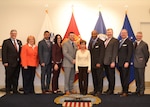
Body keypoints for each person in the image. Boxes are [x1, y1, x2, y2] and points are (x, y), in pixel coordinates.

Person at [2, 29, 22, 94]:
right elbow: (4, 52)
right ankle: (8, 90)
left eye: (15, 33)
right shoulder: (6, 42)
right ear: (10, 34)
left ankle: (15, 90)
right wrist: (5, 61)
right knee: (9, 77)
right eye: (12, 33)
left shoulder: (19, 41)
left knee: (16, 77)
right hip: (9, 63)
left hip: (17, 63)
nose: (14, 35)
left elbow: (20, 52)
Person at [88, 30, 105, 96]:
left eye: (94, 34)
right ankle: (95, 90)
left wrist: (99, 62)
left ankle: (99, 90)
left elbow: (102, 53)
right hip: (92, 63)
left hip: (98, 63)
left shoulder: (101, 42)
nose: (93, 35)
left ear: (97, 34)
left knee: (99, 77)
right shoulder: (91, 42)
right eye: (92, 34)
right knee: (94, 77)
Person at [133, 32, 149, 96]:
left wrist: (144, 61)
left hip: (141, 64)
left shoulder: (144, 44)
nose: (138, 37)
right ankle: (137, 90)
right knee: (136, 78)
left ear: (141, 36)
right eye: (137, 36)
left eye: (139, 36)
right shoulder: (134, 43)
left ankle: (142, 91)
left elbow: (147, 55)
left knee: (141, 78)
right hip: (135, 63)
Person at [103, 28, 119, 95]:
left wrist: (113, 61)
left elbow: (115, 52)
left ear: (112, 33)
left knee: (111, 76)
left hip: (110, 62)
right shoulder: (105, 40)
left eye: (110, 32)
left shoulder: (115, 41)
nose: (109, 33)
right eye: (108, 32)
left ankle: (111, 90)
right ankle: (109, 89)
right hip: (105, 62)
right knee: (108, 76)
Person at [118, 29, 133, 97]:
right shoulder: (120, 41)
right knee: (122, 77)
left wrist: (127, 61)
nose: (123, 34)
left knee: (125, 78)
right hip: (120, 63)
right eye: (122, 33)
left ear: (127, 34)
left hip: (125, 63)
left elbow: (130, 53)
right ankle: (123, 90)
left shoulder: (129, 42)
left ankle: (125, 92)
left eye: (124, 33)